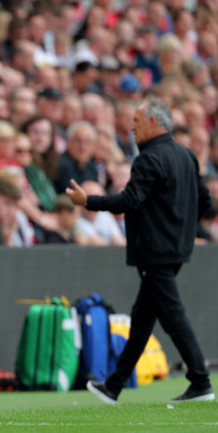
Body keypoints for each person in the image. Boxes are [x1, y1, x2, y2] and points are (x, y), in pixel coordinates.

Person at [66, 97, 215, 404]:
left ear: (153, 122)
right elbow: (204, 201)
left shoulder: (148, 159)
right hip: (176, 249)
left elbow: (128, 201)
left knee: (173, 316)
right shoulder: (187, 155)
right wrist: (179, 224)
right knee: (143, 318)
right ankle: (114, 386)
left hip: (154, 251)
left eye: (136, 121)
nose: (131, 127)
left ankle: (200, 382)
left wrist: (88, 202)